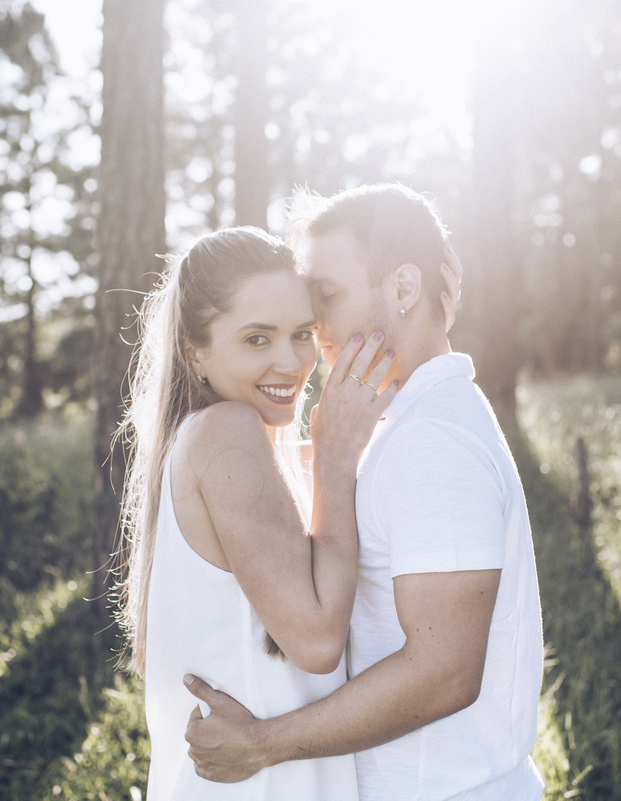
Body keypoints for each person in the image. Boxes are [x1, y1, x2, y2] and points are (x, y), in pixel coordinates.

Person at [183, 184, 546, 800]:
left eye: (326, 297)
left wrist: (265, 743)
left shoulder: (432, 440)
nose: (314, 324)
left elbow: (445, 671)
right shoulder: (408, 422)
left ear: (403, 288)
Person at [117, 226, 404, 800]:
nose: (291, 362)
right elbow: (316, 644)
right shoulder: (226, 432)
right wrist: (336, 459)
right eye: (256, 339)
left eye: (302, 334)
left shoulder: (216, 443)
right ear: (194, 351)